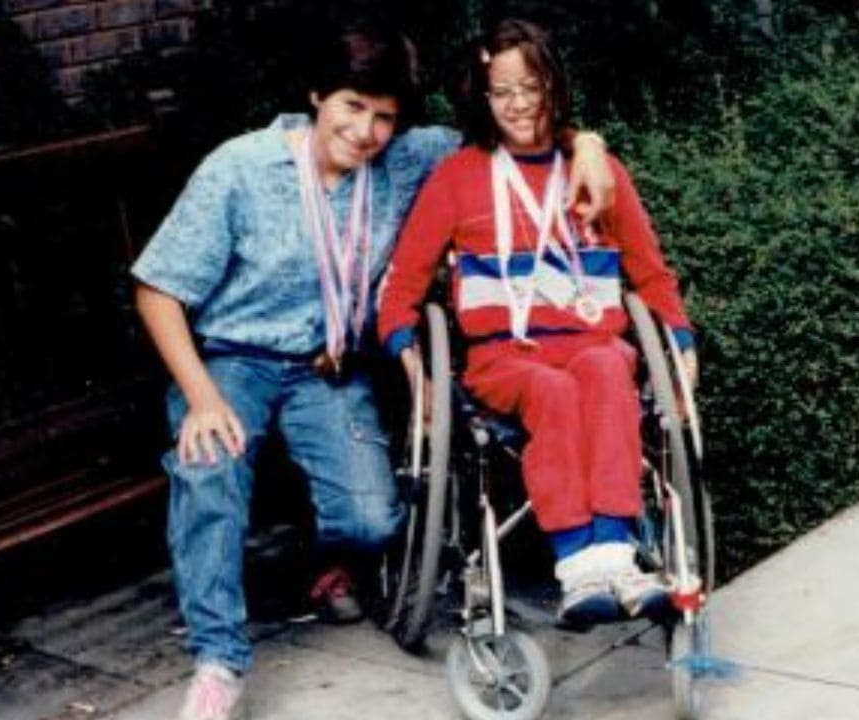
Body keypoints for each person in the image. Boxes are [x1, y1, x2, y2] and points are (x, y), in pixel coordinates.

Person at [131, 19, 615, 720]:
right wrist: (202, 398)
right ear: (316, 96)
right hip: (234, 360)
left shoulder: (410, 159)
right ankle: (217, 660)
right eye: (352, 107)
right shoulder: (240, 167)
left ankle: (321, 567)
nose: (365, 131)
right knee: (211, 468)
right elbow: (158, 290)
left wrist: (587, 145)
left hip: (327, 369)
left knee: (371, 522)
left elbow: (511, 131)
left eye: (384, 117)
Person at [377, 18, 699, 626]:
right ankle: (579, 566)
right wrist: (409, 358)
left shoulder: (598, 173)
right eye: (502, 92)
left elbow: (651, 275)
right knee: (551, 389)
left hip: (590, 342)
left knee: (607, 366)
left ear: (553, 84)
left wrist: (680, 342)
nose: (519, 104)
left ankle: (616, 555)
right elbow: (402, 290)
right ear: (482, 96)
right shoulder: (458, 178)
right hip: (506, 359)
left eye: (531, 86)